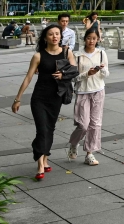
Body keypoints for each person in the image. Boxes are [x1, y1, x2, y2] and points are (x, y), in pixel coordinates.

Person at [12, 24, 76, 181]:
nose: (54, 36)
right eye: (51, 34)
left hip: (56, 97)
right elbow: (28, 77)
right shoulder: (38, 56)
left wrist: (63, 75)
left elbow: (74, 70)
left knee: (50, 129)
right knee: (42, 129)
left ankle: (45, 158)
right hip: (39, 98)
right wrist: (17, 98)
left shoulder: (67, 52)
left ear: (60, 36)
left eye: (57, 34)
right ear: (45, 37)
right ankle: (40, 163)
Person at [68, 26, 109, 166]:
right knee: (83, 125)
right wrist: (87, 74)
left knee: (95, 124)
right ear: (84, 39)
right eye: (89, 38)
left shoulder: (102, 53)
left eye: (94, 38)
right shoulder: (77, 56)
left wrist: (101, 70)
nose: (91, 41)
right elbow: (73, 78)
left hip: (98, 91)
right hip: (82, 92)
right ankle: (74, 143)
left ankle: (89, 153)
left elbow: (107, 74)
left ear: (98, 39)